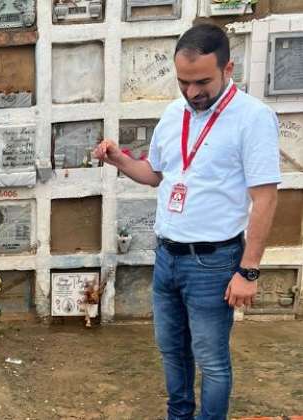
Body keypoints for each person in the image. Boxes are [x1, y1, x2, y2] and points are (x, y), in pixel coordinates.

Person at [94, 24, 279, 419]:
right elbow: (157, 174)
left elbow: (264, 199)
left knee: (211, 360)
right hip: (168, 257)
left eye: (202, 82)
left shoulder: (253, 118)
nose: (193, 93)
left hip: (213, 263)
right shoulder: (174, 113)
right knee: (171, 350)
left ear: (228, 68)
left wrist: (249, 271)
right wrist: (119, 160)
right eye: (183, 82)